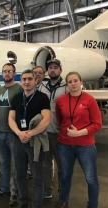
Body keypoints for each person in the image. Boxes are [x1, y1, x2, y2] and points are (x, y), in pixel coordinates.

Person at [50, 72, 102, 208]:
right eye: (70, 82)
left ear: (80, 82)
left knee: (91, 179)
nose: (73, 84)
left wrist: (79, 133)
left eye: (75, 81)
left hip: (85, 145)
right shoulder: (61, 101)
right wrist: (68, 133)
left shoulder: (89, 100)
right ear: (66, 84)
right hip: (64, 144)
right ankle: (63, 203)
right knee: (65, 176)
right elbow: (60, 120)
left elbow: (97, 124)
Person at [8, 69, 51, 208]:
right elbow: (11, 118)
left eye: (29, 79)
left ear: (35, 80)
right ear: (21, 81)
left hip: (35, 142)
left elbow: (46, 120)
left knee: (37, 176)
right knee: (19, 174)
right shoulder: (16, 97)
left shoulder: (42, 98)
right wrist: (19, 133)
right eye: (24, 79)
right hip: (18, 140)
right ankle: (22, 204)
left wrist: (30, 133)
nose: (26, 82)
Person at [0, 63, 22, 206]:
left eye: (9, 71)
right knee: (3, 163)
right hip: (1, 132)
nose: (6, 73)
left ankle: (16, 192)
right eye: (4, 71)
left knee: (16, 164)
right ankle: (4, 189)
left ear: (14, 73)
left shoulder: (19, 89)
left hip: (14, 134)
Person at [38, 59, 69, 199]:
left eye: (55, 67)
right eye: (50, 68)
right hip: (45, 132)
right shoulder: (42, 86)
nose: (52, 70)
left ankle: (63, 191)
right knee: (45, 164)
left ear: (60, 70)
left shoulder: (67, 87)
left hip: (61, 133)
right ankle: (47, 190)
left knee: (62, 165)